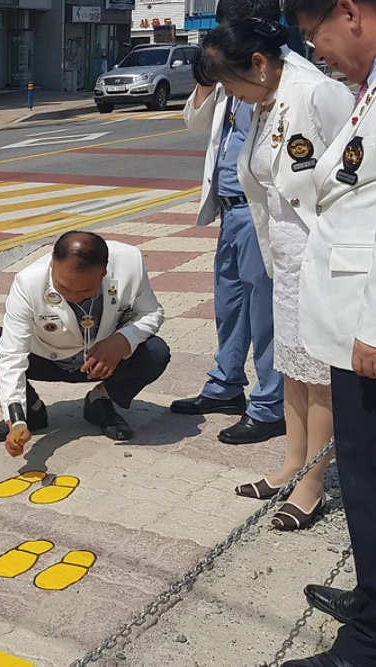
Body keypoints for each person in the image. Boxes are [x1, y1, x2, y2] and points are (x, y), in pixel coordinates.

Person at [196, 19, 354, 529]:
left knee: (320, 376)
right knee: (290, 366)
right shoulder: (265, 99)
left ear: (259, 64)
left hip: (322, 255)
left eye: (229, 81)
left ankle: (312, 484)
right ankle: (292, 462)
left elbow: (353, 182)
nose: (228, 94)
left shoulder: (317, 93)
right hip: (284, 255)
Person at [279, 0, 376, 662]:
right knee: (366, 476)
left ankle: (365, 642)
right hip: (350, 324)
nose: (318, 52)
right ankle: (371, 597)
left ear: (350, 12)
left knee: (369, 480)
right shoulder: (365, 90)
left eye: (318, 38)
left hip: (367, 328)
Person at [169, 0, 288, 445]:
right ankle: (225, 385)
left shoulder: (273, 74)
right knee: (230, 305)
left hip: (260, 210)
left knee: (265, 313)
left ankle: (270, 403)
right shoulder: (230, 72)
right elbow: (195, 121)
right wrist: (205, 78)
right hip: (230, 208)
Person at [0, 231, 170, 453]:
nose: (74, 296)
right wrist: (16, 421)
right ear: (52, 265)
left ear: (104, 273)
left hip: (102, 364)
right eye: (63, 287)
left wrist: (122, 340)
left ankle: (100, 402)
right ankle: (31, 411)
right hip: (48, 357)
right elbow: (12, 354)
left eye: (86, 291)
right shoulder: (28, 282)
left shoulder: (130, 262)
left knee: (156, 352)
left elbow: (151, 312)